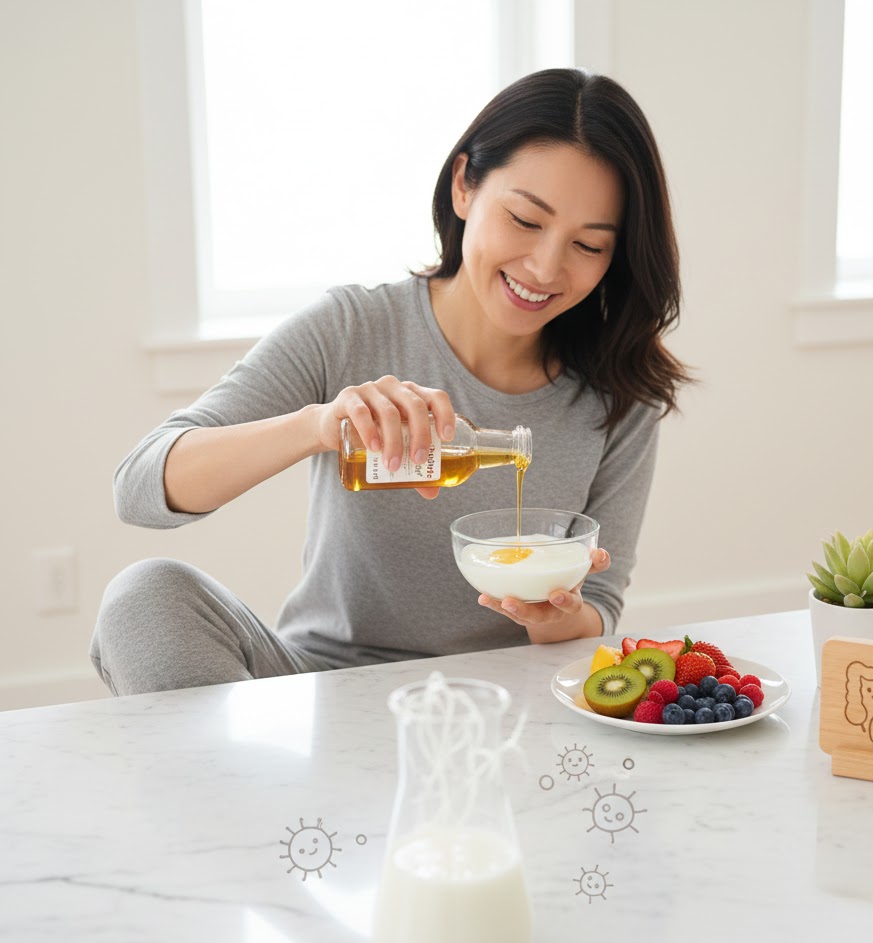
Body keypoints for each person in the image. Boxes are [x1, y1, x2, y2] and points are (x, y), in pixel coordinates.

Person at [90, 68, 693, 696]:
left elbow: (598, 609)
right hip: (323, 689)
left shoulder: (622, 396)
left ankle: (258, 797)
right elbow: (138, 489)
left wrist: (558, 611)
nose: (545, 267)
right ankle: (245, 794)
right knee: (144, 596)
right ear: (464, 186)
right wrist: (319, 425)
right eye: (524, 219)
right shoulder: (352, 329)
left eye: (588, 246)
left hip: (495, 709)